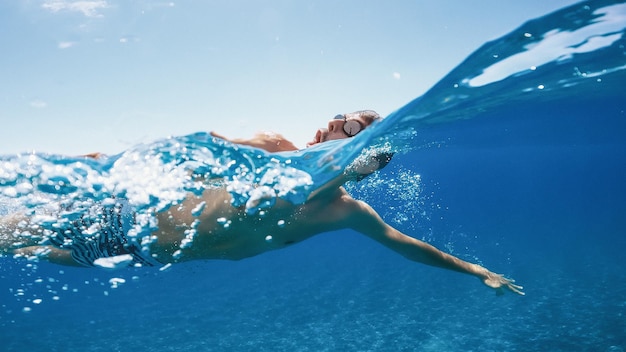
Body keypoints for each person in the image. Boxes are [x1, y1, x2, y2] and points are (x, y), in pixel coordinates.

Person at [0, 110, 523, 295]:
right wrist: (107, 162)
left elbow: (404, 244)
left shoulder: (346, 211)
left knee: (22, 251)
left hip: (139, 253)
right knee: (11, 233)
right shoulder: (274, 148)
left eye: (365, 147)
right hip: (123, 215)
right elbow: (200, 142)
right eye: (343, 131)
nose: (344, 144)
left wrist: (476, 269)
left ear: (370, 166)